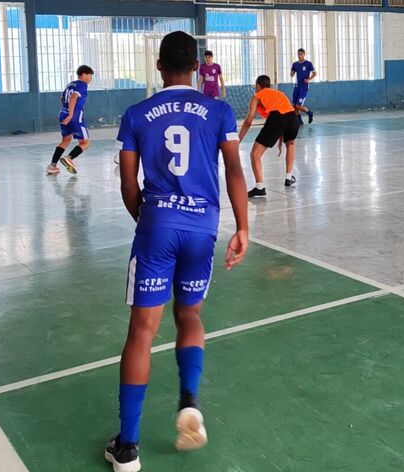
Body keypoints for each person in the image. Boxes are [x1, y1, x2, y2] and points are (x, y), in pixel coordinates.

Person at [106, 31, 249, 472]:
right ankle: (189, 403)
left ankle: (127, 447)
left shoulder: (136, 114)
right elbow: (234, 172)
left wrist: (147, 221)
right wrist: (242, 227)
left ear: (159, 65)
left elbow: (129, 185)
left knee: (142, 332)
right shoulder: (219, 110)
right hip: (202, 228)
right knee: (190, 315)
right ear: (196, 67)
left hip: (157, 226)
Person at [239, 75, 299, 198]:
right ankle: (289, 177)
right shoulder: (279, 93)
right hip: (293, 118)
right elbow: (286, 113)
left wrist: (238, 140)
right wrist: (281, 138)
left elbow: (249, 121)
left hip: (278, 119)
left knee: (255, 154)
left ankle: (260, 188)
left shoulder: (257, 96)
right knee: (291, 144)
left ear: (257, 86)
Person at [46, 65, 94, 175]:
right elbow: (73, 97)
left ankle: (52, 166)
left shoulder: (69, 84)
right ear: (84, 74)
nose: (90, 79)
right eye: (90, 76)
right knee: (85, 143)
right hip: (75, 116)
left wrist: (66, 110)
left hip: (62, 113)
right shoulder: (82, 84)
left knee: (65, 140)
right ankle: (69, 158)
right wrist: (71, 114)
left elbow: (62, 98)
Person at [290, 48, 316, 125]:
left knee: (298, 105)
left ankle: (309, 113)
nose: (299, 56)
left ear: (304, 54)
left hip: (304, 87)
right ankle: (300, 121)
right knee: (294, 106)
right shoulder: (295, 64)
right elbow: (291, 74)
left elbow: (315, 73)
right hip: (297, 87)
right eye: (298, 54)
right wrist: (292, 72)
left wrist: (309, 79)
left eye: (300, 54)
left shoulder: (308, 64)